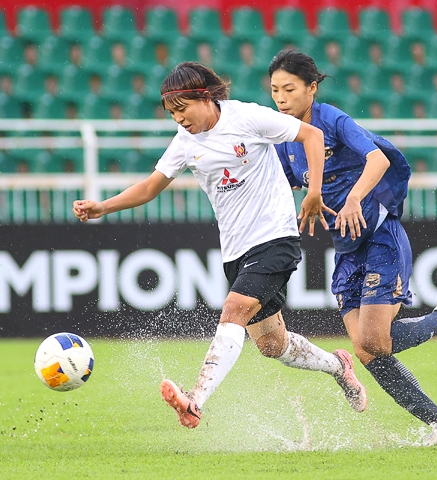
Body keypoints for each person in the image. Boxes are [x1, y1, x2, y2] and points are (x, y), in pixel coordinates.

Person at [72, 61, 367, 428]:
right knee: (272, 345)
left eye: (182, 109)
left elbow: (312, 136)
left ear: (205, 97)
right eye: (171, 113)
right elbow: (150, 187)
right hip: (235, 251)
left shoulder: (247, 117)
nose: (178, 119)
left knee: (233, 310)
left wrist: (314, 192)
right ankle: (338, 367)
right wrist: (103, 207)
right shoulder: (185, 141)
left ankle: (195, 400)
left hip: (275, 237)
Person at [268, 49, 437, 443]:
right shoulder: (286, 140)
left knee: (374, 341)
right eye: (275, 90)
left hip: (381, 236)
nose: (280, 99)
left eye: (289, 89)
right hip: (346, 249)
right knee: (368, 352)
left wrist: (353, 198)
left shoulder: (333, 120)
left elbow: (378, 160)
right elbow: (277, 183)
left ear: (312, 89)